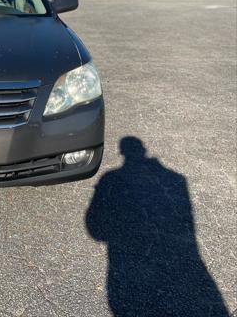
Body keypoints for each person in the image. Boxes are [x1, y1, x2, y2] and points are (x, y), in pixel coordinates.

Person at [85, 136, 229, 317]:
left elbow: (95, 229)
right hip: (184, 261)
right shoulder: (176, 178)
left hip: (128, 266)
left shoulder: (110, 178)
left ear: (122, 152)